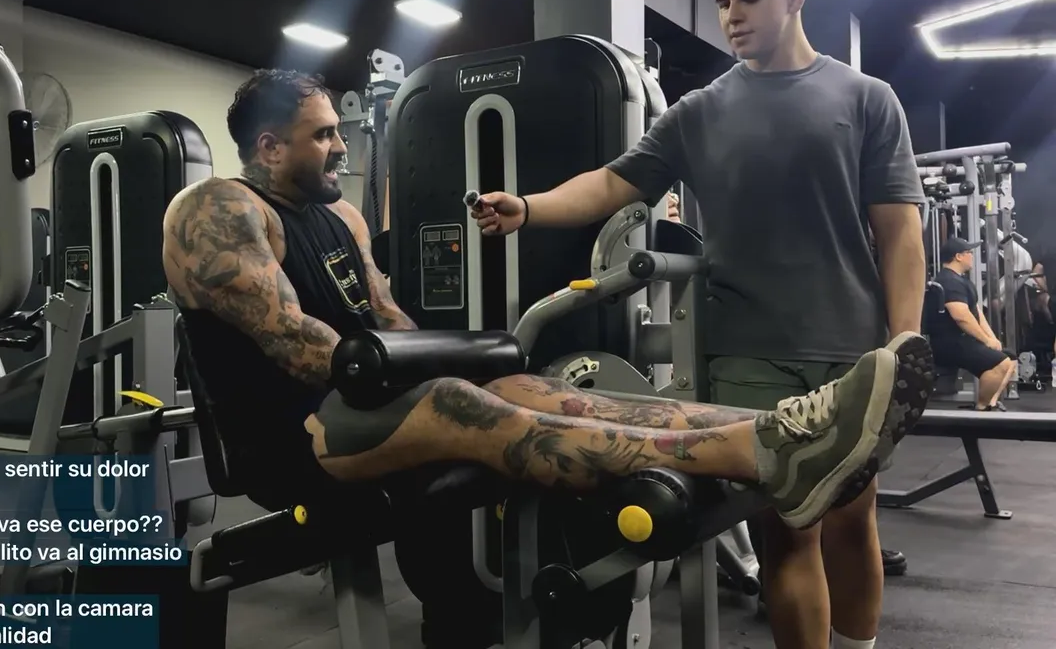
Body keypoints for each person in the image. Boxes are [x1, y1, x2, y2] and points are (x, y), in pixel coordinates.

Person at [163, 67, 931, 648]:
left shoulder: (343, 221)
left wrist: (452, 366)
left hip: (362, 404)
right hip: (293, 438)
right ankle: (762, 455)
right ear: (269, 147)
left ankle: (778, 435)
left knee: (525, 384)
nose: (339, 146)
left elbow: (390, 322)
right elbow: (298, 347)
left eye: (337, 131)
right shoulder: (218, 211)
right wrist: (428, 380)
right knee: (460, 402)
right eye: (323, 135)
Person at [469, 0, 924, 647]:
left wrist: (903, 345)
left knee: (851, 519)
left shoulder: (867, 98)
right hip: (746, 351)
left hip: (851, 348)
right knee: (787, 529)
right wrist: (530, 207)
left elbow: (899, 233)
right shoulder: (701, 109)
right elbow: (612, 183)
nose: (732, 15)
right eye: (722, 2)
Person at [930, 236, 1016, 411]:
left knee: (1010, 358)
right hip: (949, 343)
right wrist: (985, 340)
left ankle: (991, 402)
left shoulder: (962, 281)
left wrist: (992, 339)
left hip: (962, 340)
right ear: (958, 256)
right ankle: (982, 407)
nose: (972, 256)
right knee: (1000, 364)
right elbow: (961, 316)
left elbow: (976, 314)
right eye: (969, 252)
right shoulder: (949, 281)